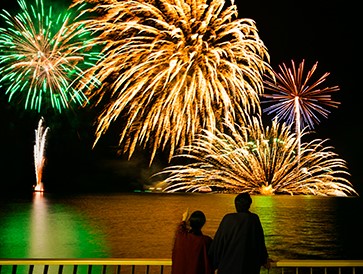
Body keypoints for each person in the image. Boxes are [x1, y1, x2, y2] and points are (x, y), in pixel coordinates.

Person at [208, 193, 271, 274]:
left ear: (236, 204)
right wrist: (264, 259)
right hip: (249, 269)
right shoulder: (254, 219)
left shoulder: (228, 219)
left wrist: (214, 263)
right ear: (249, 205)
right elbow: (260, 243)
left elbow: (218, 243)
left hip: (227, 268)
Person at [171, 209, 213, 274]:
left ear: (190, 222)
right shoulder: (206, 241)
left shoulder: (181, 237)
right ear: (203, 223)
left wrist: (184, 219)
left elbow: (180, 230)